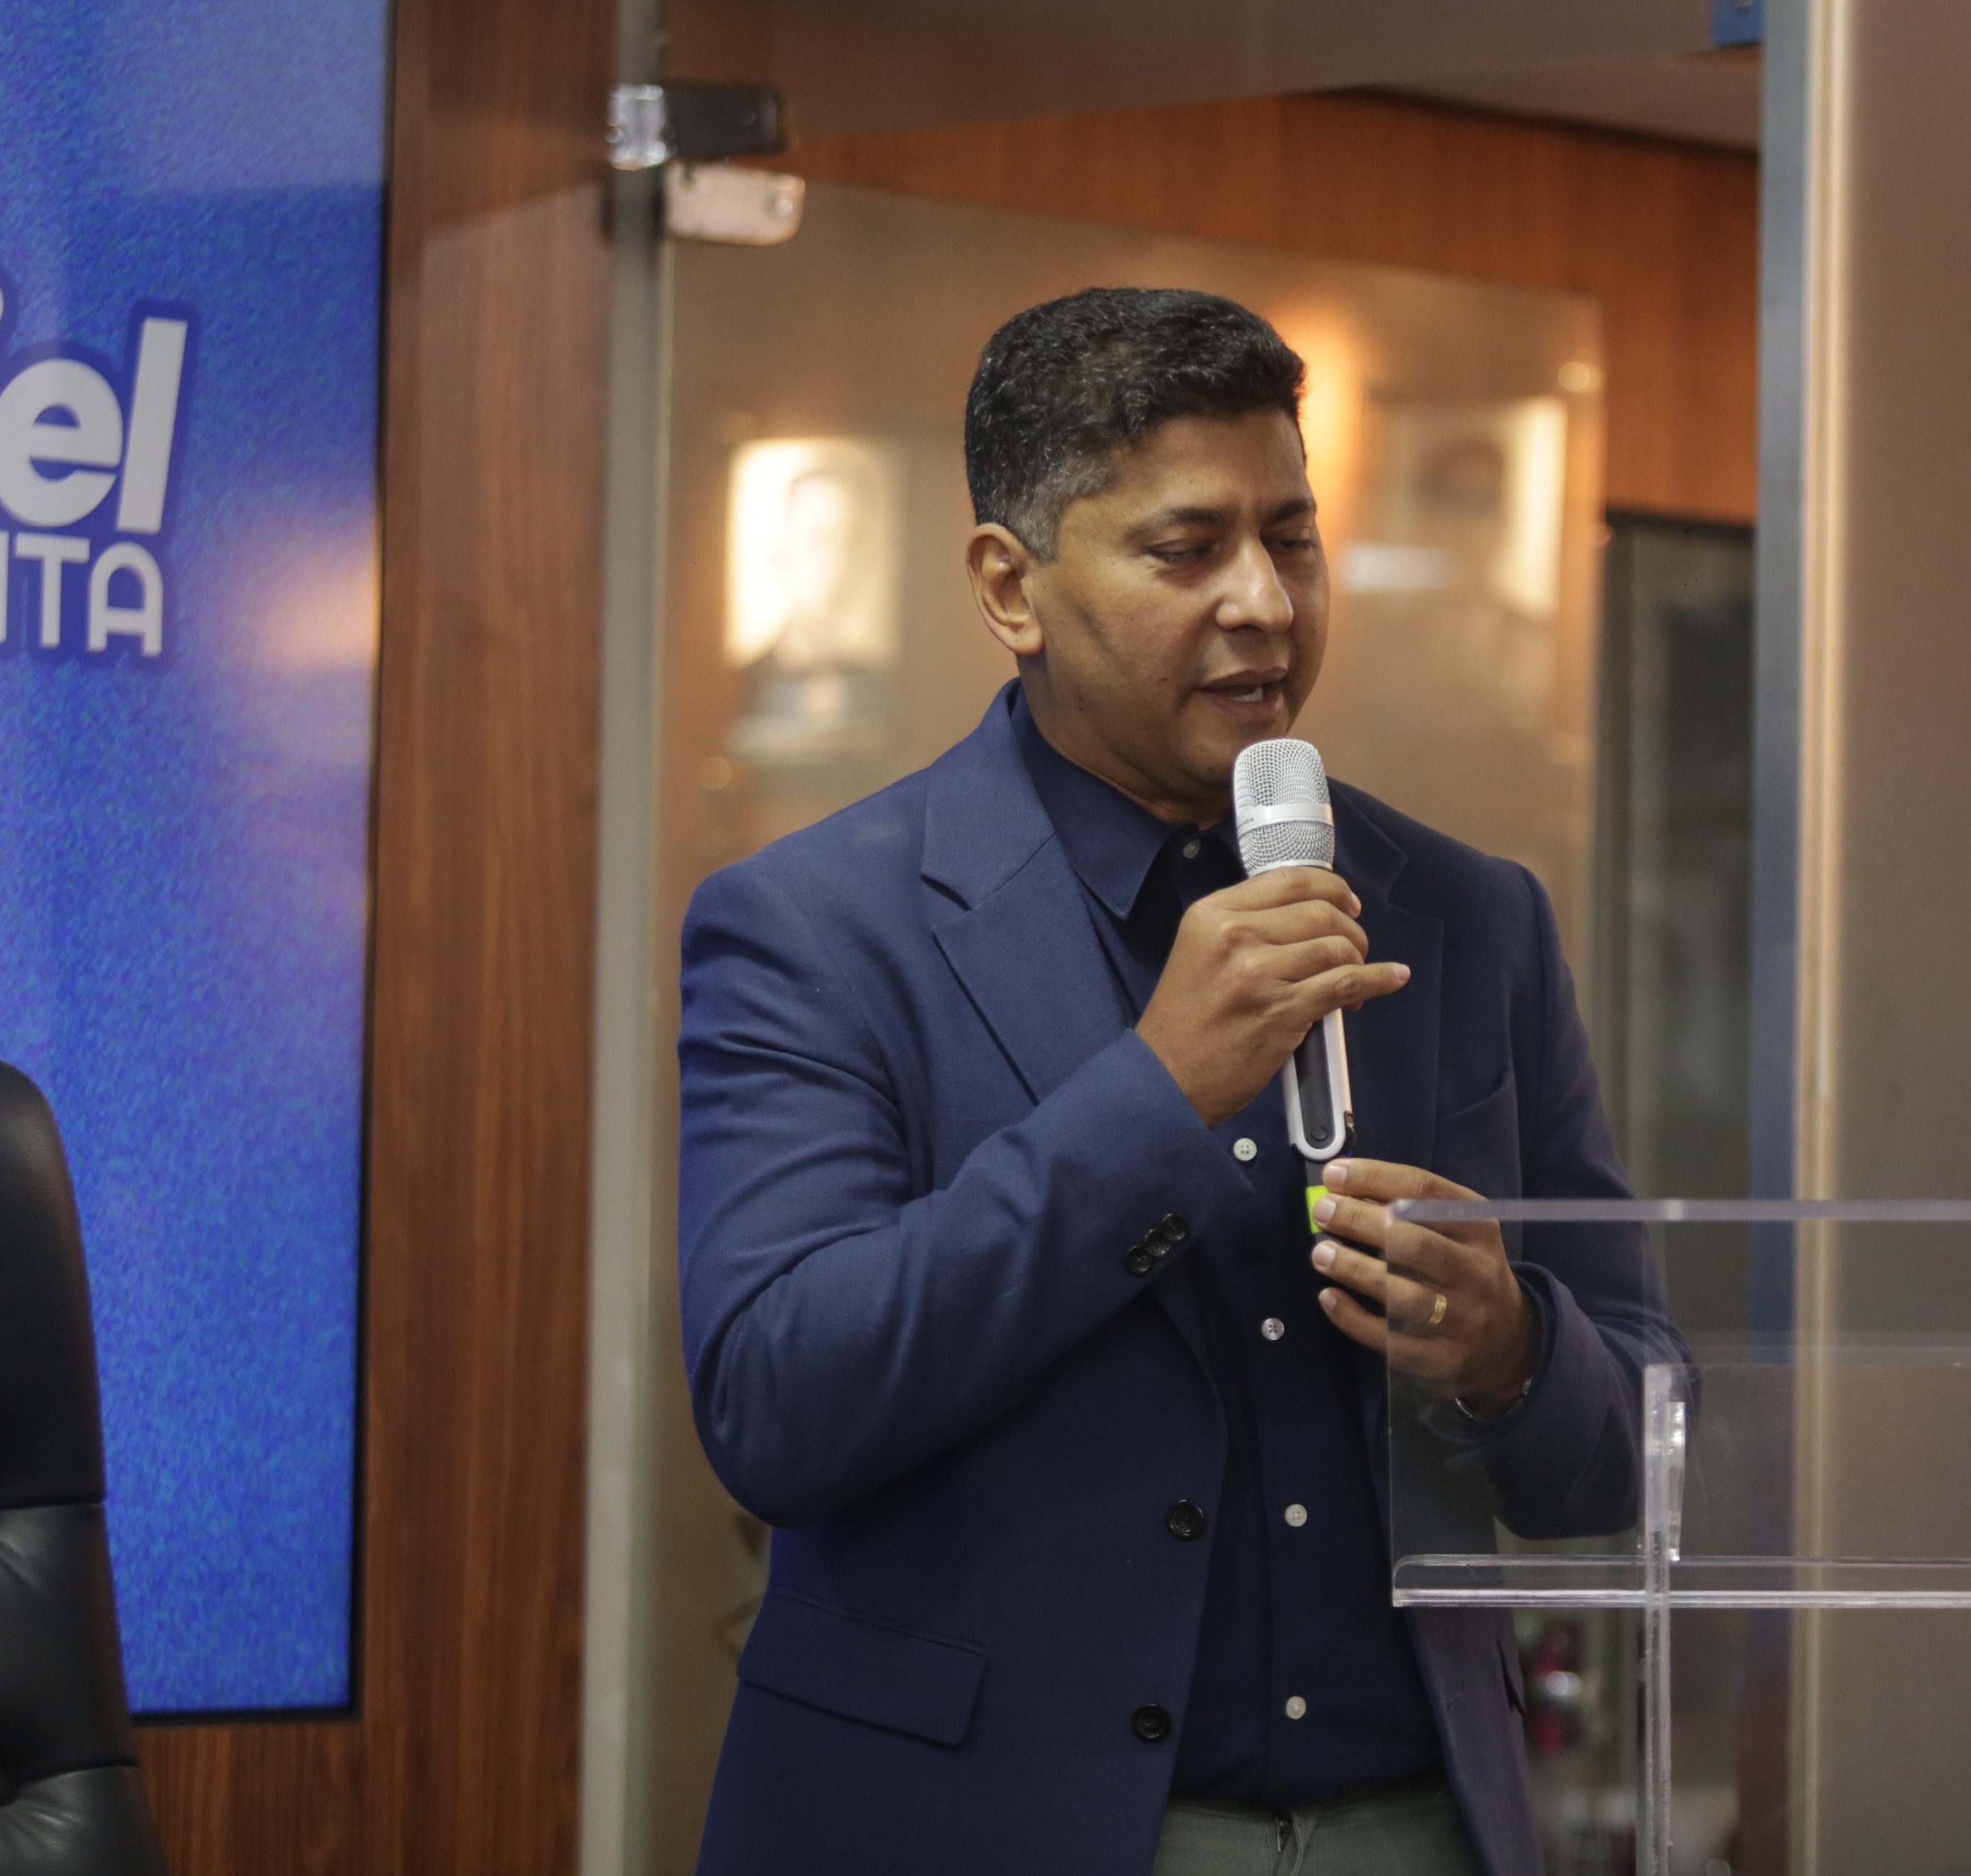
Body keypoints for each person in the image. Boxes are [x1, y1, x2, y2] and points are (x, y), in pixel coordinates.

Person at [677, 286, 1684, 1875]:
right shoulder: (815, 925)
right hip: (988, 1832)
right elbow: (776, 1405)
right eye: (1186, 548)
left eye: (1291, 538)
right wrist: (1152, 1094)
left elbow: (1637, 1439)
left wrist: (1506, 1347)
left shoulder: (1471, 916)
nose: (1264, 604)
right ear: (1009, 585)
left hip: (1410, 1825)